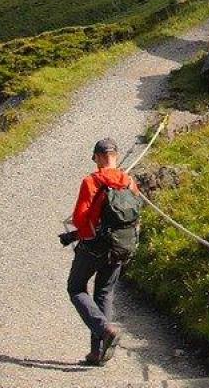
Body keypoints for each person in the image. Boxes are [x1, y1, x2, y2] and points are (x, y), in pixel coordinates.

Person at [65, 137, 138, 367]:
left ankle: (105, 330)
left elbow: (79, 219)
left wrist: (83, 239)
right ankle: (97, 353)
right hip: (121, 247)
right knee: (104, 293)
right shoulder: (128, 181)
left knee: (76, 288)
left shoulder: (91, 181)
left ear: (97, 158)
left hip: (95, 247)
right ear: (115, 156)